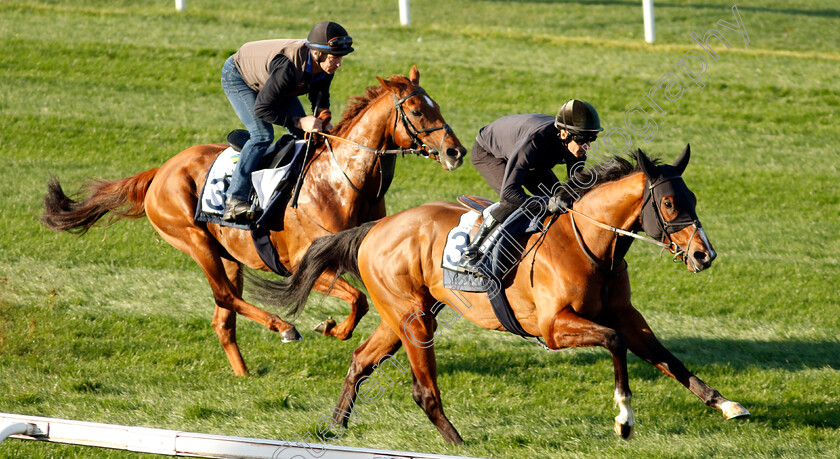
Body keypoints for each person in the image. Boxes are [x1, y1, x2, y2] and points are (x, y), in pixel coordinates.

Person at [219, 21, 354, 222]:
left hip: (278, 82)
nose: (339, 63)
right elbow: (263, 109)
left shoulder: (324, 67)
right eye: (335, 58)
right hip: (239, 75)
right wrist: (300, 121)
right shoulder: (288, 68)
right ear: (317, 54)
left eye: (341, 58)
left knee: (305, 136)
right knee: (262, 135)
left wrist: (323, 117)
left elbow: (320, 95)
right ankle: (234, 199)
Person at [457, 99, 603, 275]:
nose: (587, 145)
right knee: (513, 204)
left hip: (531, 160)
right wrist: (545, 204)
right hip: (490, 153)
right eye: (582, 139)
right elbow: (510, 194)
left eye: (592, 138)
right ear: (564, 134)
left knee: (563, 198)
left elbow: (573, 189)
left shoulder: (576, 147)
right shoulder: (535, 142)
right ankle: (470, 253)